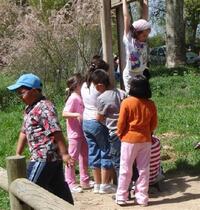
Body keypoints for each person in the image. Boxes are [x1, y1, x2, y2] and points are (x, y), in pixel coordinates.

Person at [7, 73, 74, 205]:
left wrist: (65, 153)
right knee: (57, 189)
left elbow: (56, 131)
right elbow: (24, 132)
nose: (20, 97)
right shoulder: (30, 108)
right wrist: (18, 153)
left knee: (28, 191)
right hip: (45, 157)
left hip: (43, 156)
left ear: (34, 91)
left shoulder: (44, 107)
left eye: (22, 93)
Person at [115, 75, 158, 206]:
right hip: (145, 139)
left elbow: (121, 123)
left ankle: (122, 196)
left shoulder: (127, 102)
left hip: (129, 139)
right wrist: (147, 132)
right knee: (144, 169)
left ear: (132, 87)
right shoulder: (151, 104)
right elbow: (154, 124)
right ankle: (142, 197)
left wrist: (119, 134)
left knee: (125, 168)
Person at [81, 55, 116, 194]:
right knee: (105, 150)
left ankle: (97, 184)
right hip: (98, 121)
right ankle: (105, 185)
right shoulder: (99, 87)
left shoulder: (84, 85)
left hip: (86, 121)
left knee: (93, 151)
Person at [90, 69, 126, 182]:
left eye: (95, 86)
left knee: (117, 161)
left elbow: (99, 117)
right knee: (128, 160)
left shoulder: (101, 98)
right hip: (127, 131)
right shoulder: (121, 93)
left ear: (100, 85)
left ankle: (123, 188)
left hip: (114, 133)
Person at [62, 73, 93, 193]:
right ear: (76, 85)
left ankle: (84, 180)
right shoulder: (73, 97)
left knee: (84, 156)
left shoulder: (80, 96)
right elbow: (64, 113)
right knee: (72, 158)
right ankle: (70, 182)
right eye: (82, 83)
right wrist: (76, 115)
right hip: (74, 133)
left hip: (83, 131)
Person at [122, 0, 151, 92]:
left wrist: (145, 1)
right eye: (144, 35)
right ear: (137, 33)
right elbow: (126, 17)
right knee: (131, 97)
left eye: (147, 35)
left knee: (142, 97)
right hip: (130, 75)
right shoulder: (129, 39)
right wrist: (124, 2)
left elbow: (145, 16)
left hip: (141, 73)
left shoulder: (143, 41)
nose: (146, 37)